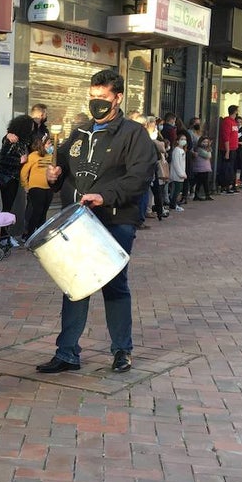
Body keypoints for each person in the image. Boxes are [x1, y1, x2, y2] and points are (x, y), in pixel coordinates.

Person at [36, 68, 156, 375]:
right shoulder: (79, 133)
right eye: (92, 97)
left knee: (114, 283)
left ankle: (121, 350)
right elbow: (61, 168)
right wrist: (53, 177)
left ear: (117, 98)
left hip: (115, 220)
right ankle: (67, 352)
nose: (96, 103)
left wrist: (106, 196)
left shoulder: (133, 134)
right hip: (78, 222)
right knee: (74, 283)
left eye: (102, 97)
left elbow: (140, 177)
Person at [0, 114, 32, 244]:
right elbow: (2, 158)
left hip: (14, 178)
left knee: (9, 207)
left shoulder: (22, 141)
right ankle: (3, 236)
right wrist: (19, 160)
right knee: (7, 207)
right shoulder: (12, 140)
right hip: (7, 178)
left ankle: (5, 234)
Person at [19, 130, 53, 238]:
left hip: (49, 188)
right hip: (36, 188)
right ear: (41, 144)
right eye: (48, 143)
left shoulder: (51, 156)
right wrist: (26, 186)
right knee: (36, 212)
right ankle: (29, 235)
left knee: (44, 213)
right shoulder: (33, 156)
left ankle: (40, 235)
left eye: (51, 143)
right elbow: (24, 172)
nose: (50, 145)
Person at [217, 105, 240, 193]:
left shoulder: (233, 122)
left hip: (233, 148)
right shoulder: (227, 121)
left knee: (231, 168)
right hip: (227, 149)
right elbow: (225, 137)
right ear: (234, 111)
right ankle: (225, 186)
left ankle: (231, 185)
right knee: (226, 168)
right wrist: (227, 150)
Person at [192, 135, 214, 201]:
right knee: (200, 182)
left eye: (207, 142)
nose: (205, 143)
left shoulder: (206, 149)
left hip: (205, 168)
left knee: (204, 182)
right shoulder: (199, 149)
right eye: (204, 142)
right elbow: (208, 155)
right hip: (200, 169)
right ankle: (197, 195)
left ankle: (206, 194)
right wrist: (209, 150)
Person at [169, 133, 187, 211]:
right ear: (177, 141)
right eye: (181, 139)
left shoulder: (181, 150)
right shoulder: (177, 150)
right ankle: (173, 204)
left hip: (181, 174)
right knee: (176, 190)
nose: (184, 141)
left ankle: (174, 203)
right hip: (177, 174)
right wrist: (181, 173)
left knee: (178, 189)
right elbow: (176, 163)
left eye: (185, 139)